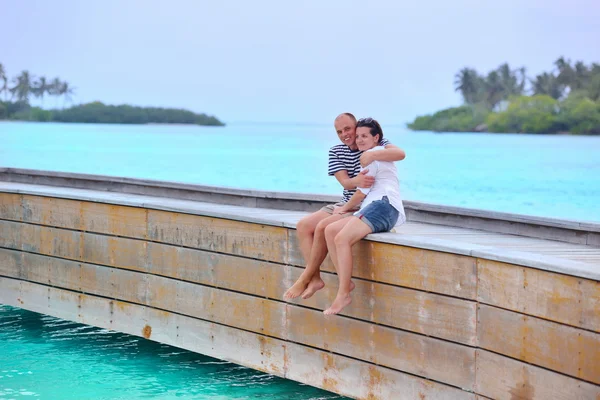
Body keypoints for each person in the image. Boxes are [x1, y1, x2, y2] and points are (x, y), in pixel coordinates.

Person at [284, 113, 405, 300]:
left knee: (324, 227)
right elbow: (347, 184)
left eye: (348, 129)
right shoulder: (336, 152)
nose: (345, 135)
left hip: (361, 204)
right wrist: (357, 180)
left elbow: (399, 154)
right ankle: (314, 278)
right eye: (339, 131)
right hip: (347, 201)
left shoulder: (371, 144)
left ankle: (305, 277)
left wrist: (371, 154)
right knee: (303, 226)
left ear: (356, 127)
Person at [322, 117, 406, 315]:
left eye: (364, 136)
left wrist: (343, 209)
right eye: (357, 136)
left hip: (384, 206)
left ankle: (343, 294)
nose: (359, 140)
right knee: (330, 230)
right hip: (374, 206)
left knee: (341, 238)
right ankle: (345, 282)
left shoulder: (373, 156)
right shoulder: (372, 155)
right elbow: (362, 191)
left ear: (376, 138)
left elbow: (361, 192)